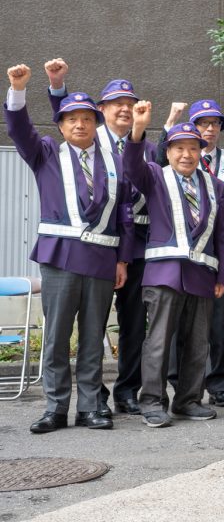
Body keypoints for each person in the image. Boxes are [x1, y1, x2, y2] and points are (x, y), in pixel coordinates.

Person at [6, 64, 130, 433]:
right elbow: (18, 129)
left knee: (93, 338)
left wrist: (122, 259)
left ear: (97, 125)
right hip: (60, 257)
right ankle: (56, 407)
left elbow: (123, 211)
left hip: (101, 259)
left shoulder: (115, 162)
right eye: (71, 120)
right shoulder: (45, 153)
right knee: (58, 336)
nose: (80, 125)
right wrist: (18, 89)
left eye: (87, 119)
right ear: (60, 127)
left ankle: (91, 407)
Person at [45, 60, 151, 417]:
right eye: (115, 102)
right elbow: (63, 117)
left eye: (130, 101)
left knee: (131, 322)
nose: (124, 108)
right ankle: (89, 399)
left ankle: (126, 391)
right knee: (80, 327)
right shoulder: (87, 140)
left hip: (134, 244)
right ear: (100, 111)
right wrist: (57, 86)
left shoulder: (145, 145)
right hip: (86, 248)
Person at [124, 105, 224, 427]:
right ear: (168, 151)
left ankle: (188, 400)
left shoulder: (215, 185)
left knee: (198, 342)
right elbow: (131, 166)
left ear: (201, 151)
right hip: (164, 273)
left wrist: (223, 275)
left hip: (202, 274)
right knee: (158, 340)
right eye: (179, 148)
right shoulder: (155, 175)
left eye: (193, 148)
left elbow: (222, 234)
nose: (187, 154)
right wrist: (138, 131)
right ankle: (153, 402)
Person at [161, 99, 224, 408]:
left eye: (215, 124)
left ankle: (218, 384)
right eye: (202, 123)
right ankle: (176, 381)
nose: (209, 129)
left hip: (214, 254)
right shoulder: (173, 163)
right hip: (178, 254)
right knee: (175, 324)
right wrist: (169, 122)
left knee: (217, 325)